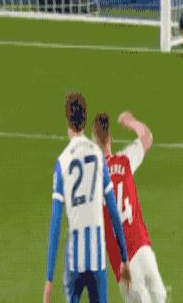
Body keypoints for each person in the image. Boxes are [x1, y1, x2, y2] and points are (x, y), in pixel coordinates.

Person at [43, 93, 131, 303]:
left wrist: (49, 278)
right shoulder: (98, 156)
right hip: (97, 259)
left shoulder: (62, 162)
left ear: (67, 119)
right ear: (85, 119)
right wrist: (124, 258)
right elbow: (113, 211)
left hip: (74, 263)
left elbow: (56, 222)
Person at [93, 111, 167, 302]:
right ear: (110, 138)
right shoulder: (125, 159)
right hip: (142, 248)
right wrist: (131, 121)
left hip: (123, 262)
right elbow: (147, 137)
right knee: (160, 296)